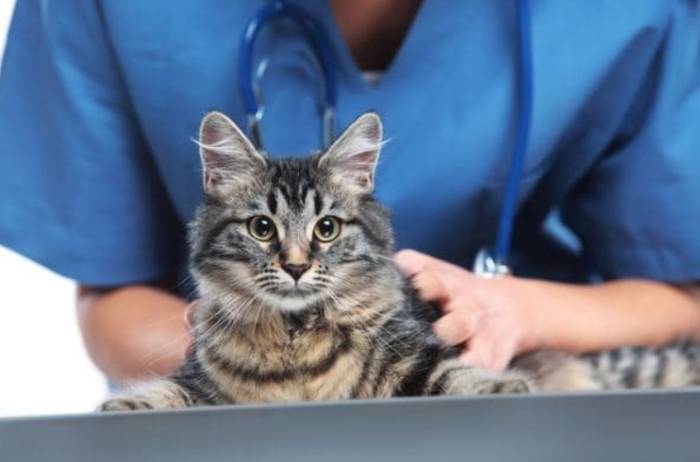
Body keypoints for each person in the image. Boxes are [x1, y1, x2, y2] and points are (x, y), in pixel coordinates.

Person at [1, 0, 699, 383]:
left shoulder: (628, 14)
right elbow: (110, 293)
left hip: (532, 396)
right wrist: (249, 362)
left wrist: (517, 311)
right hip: (235, 422)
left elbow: (684, 293)